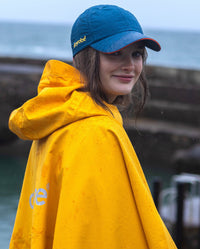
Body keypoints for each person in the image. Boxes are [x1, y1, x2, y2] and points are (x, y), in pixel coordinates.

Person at [9, 5, 177, 249]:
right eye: (115, 53)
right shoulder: (97, 130)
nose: (130, 65)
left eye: (136, 54)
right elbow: (93, 235)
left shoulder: (56, 115)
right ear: (87, 57)